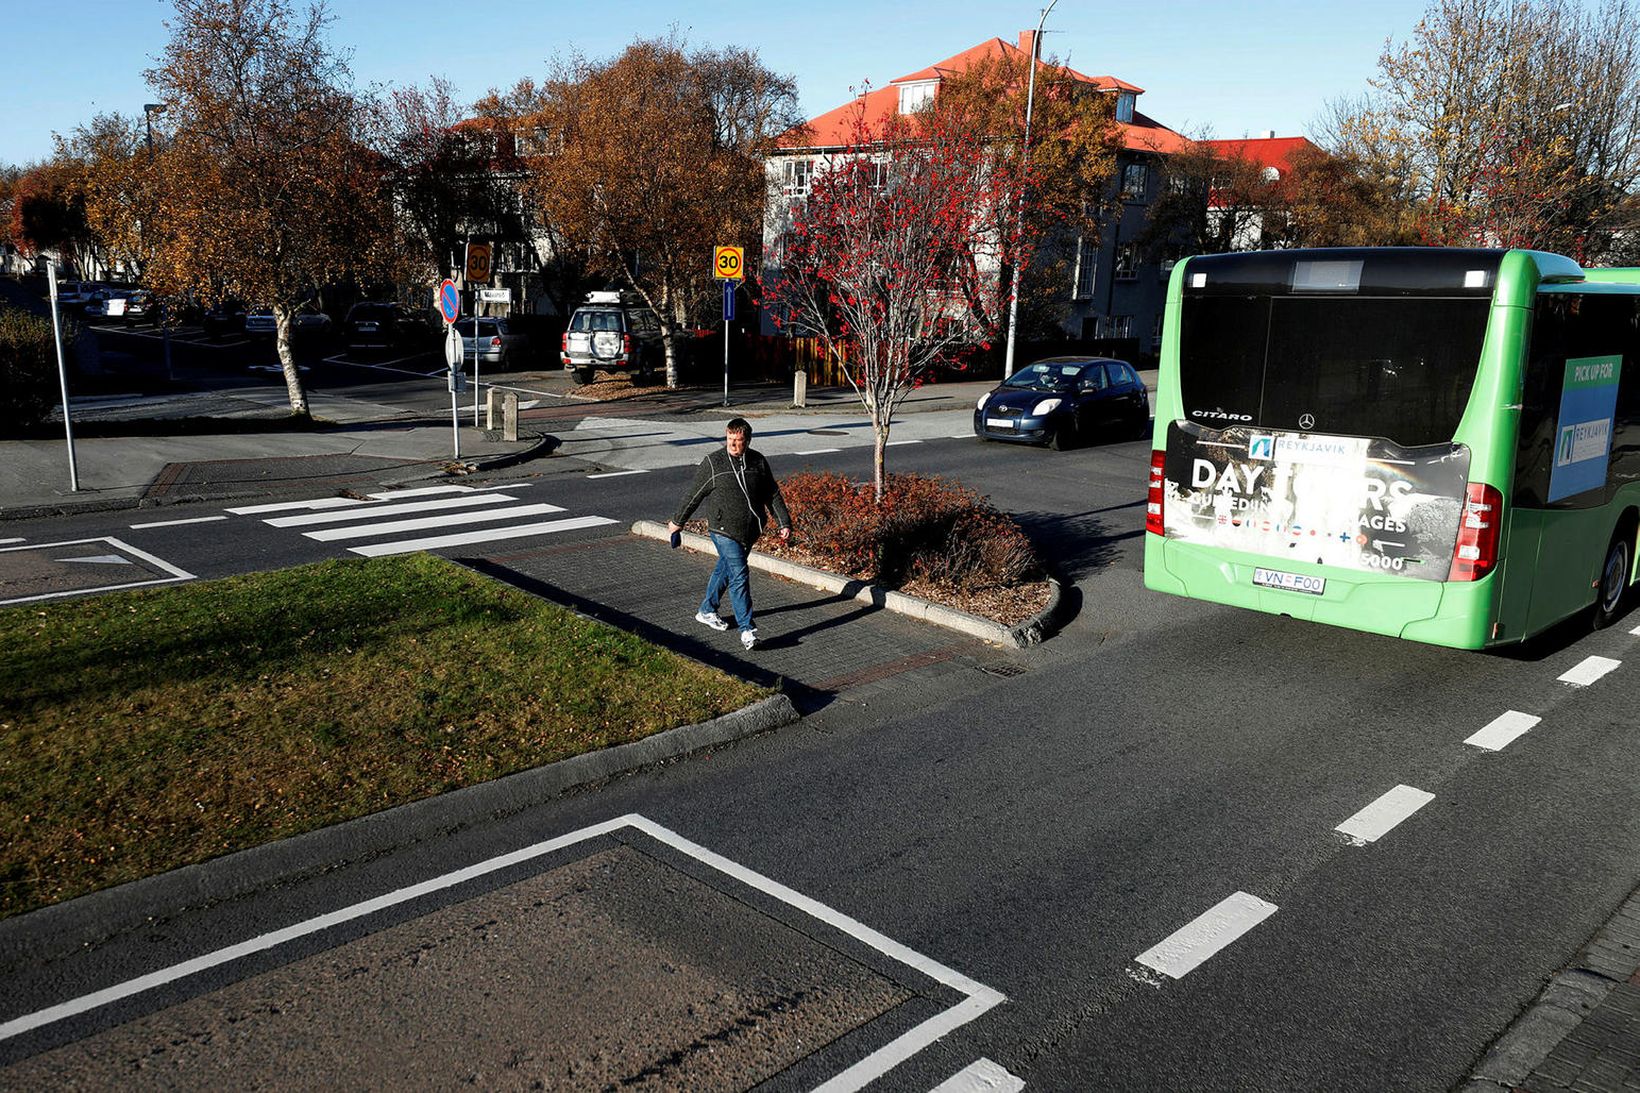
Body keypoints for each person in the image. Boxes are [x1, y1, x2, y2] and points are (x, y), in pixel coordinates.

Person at [668, 418, 791, 650]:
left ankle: (706, 610)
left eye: (739, 441)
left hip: (750, 530)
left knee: (725, 569)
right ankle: (748, 630)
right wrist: (677, 522)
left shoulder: (758, 462)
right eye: (730, 440)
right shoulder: (713, 463)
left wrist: (783, 522)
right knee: (739, 574)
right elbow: (693, 495)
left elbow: (771, 493)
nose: (733, 445)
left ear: (748, 440)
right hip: (722, 529)